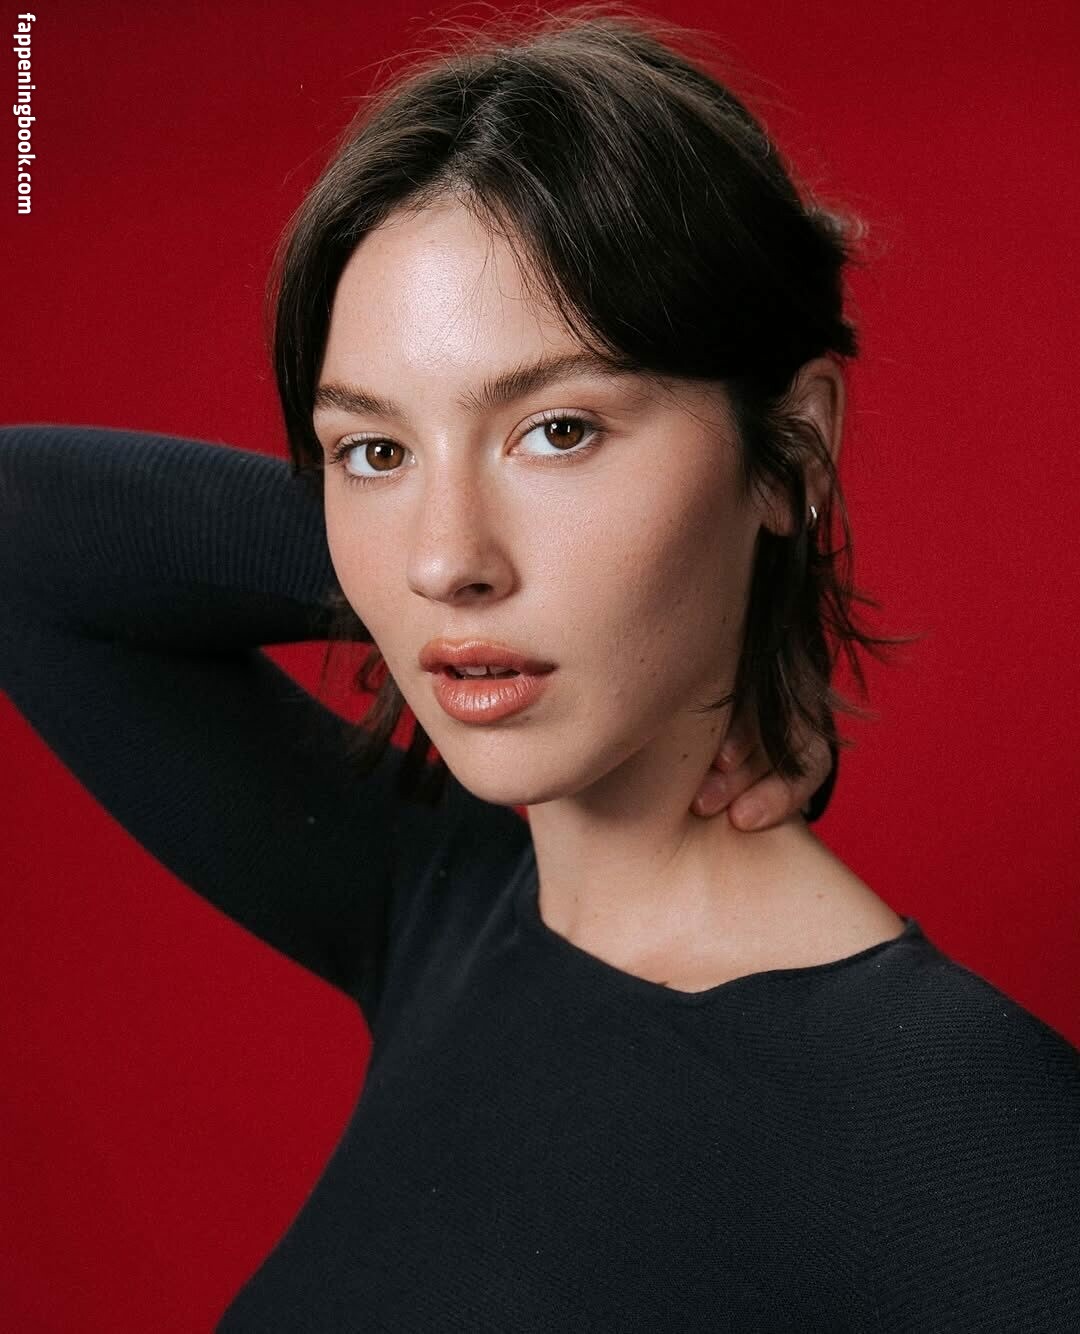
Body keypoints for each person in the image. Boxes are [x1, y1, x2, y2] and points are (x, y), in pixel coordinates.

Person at [2, 5, 1077, 1330]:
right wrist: (416, 585)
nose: (449, 556)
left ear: (792, 445)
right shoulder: (450, 907)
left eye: (558, 429)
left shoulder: (962, 1137)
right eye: (374, 451)